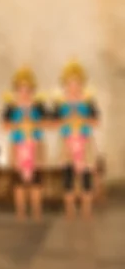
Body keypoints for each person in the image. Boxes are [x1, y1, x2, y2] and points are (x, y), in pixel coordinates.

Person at [53, 61, 99, 220]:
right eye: (70, 83)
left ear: (82, 84)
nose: (73, 87)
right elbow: (52, 123)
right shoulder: (60, 102)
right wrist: (66, 121)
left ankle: (87, 210)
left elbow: (96, 121)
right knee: (68, 175)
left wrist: (82, 120)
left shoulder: (89, 101)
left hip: (85, 142)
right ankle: (70, 210)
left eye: (76, 83)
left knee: (86, 175)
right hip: (67, 142)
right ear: (65, 85)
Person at [2, 67, 48, 221]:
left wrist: (34, 124)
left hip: (35, 145)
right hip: (18, 145)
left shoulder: (39, 106)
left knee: (36, 180)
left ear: (32, 90)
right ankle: (20, 211)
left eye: (27, 89)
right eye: (21, 89)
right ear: (16, 91)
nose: (24, 93)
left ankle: (36, 210)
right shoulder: (10, 107)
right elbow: (4, 125)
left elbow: (49, 123)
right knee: (18, 181)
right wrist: (20, 124)